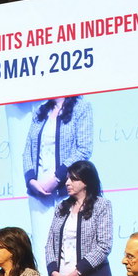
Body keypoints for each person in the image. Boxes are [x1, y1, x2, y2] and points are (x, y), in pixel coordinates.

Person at [22, 96, 93, 266]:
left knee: (69, 243)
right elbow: (27, 150)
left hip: (66, 189)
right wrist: (31, 180)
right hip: (39, 191)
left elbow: (84, 149)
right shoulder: (41, 109)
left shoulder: (81, 107)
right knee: (41, 245)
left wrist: (56, 178)